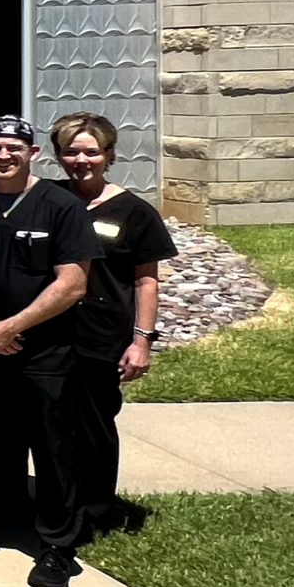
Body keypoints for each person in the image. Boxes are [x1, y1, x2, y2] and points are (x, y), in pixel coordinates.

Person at [0, 116, 101, 587]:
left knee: (51, 446)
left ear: (32, 153)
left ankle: (56, 545)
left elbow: (72, 283)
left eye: (13, 147)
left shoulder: (61, 206)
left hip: (44, 350)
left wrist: (11, 327)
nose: (2, 155)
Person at [52, 111, 177, 535]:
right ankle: (58, 506)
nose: (80, 160)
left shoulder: (135, 212)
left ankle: (95, 513)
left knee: (93, 429)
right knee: (52, 427)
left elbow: (146, 281)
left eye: (90, 152)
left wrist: (141, 341)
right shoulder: (50, 199)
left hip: (101, 336)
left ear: (109, 155)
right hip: (50, 333)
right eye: (70, 152)